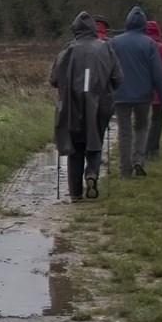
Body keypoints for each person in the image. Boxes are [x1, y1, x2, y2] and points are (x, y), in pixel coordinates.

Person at [49, 12, 118, 199]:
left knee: (75, 147)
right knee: (95, 140)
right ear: (93, 29)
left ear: (75, 29)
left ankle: (75, 193)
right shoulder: (106, 49)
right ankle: (92, 174)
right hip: (99, 104)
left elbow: (54, 79)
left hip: (72, 106)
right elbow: (117, 78)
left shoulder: (66, 50)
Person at [107, 7, 162, 178]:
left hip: (119, 94)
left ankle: (125, 169)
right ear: (143, 24)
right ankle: (139, 160)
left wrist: (106, 91)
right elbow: (158, 73)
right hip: (143, 94)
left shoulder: (114, 42)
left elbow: (108, 69)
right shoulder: (149, 44)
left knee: (124, 131)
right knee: (141, 127)